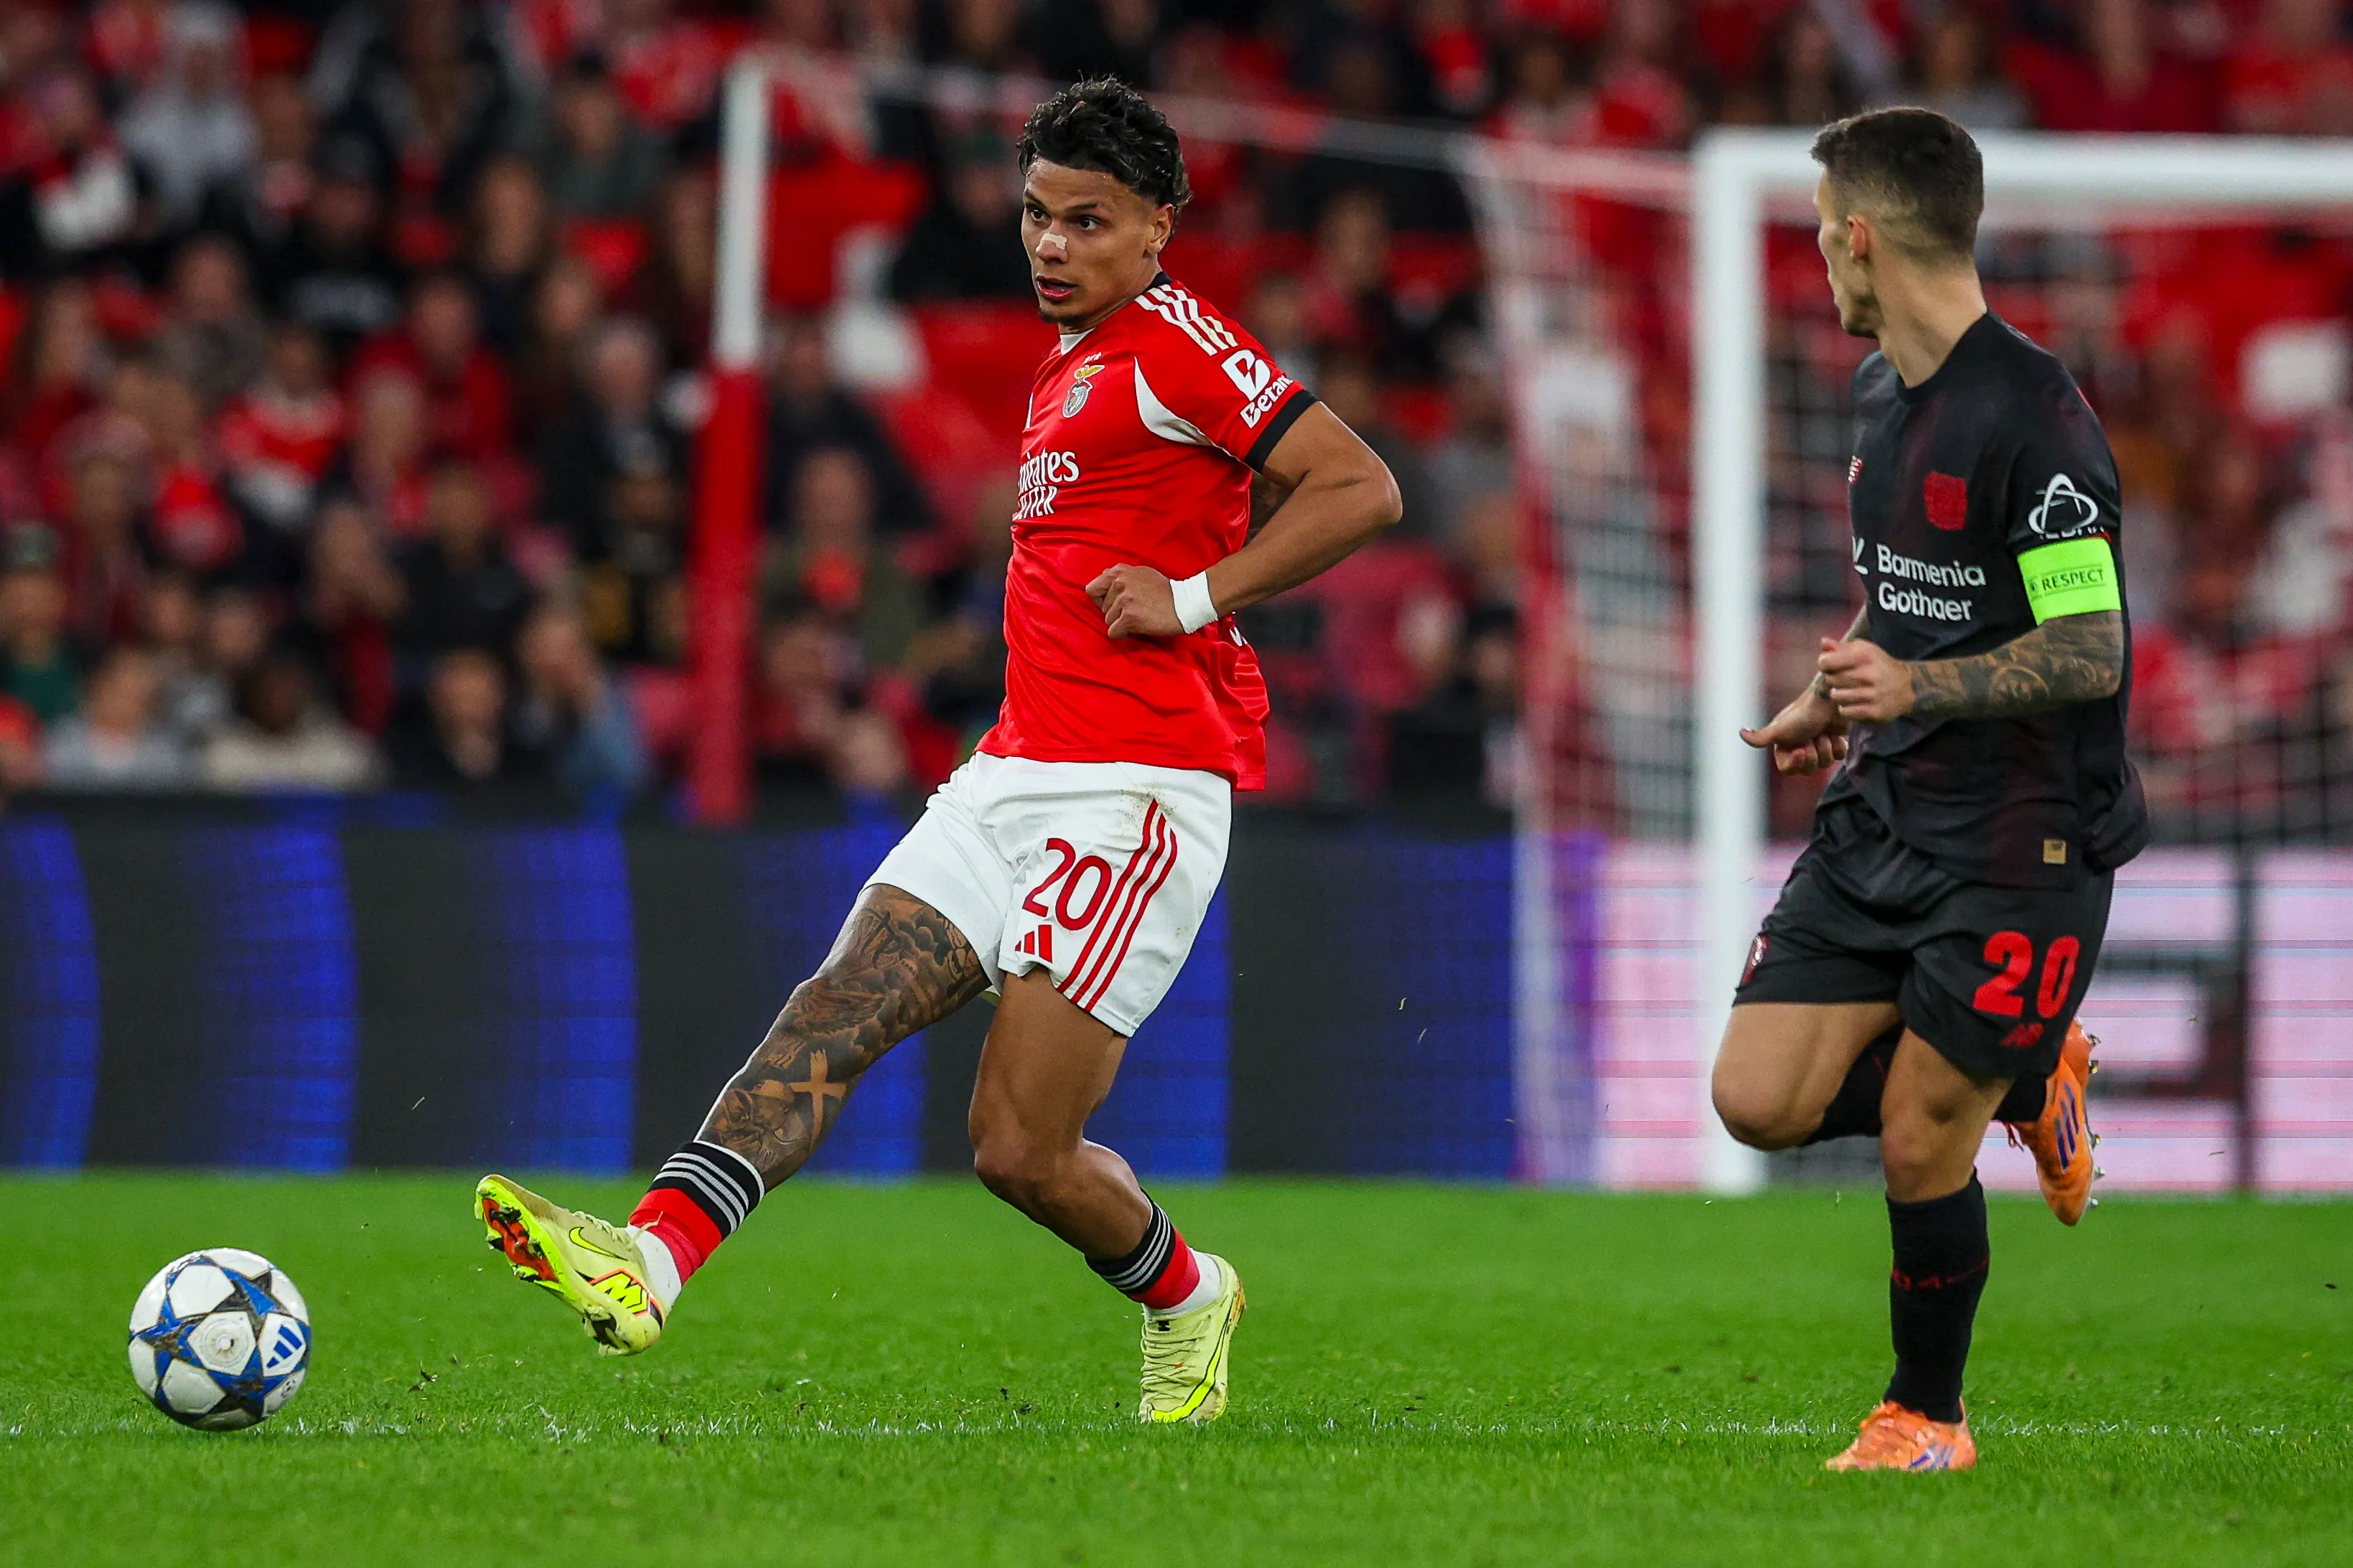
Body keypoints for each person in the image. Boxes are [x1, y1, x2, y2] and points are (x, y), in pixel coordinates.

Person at [476, 78, 1401, 1424]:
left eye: (1088, 222)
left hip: (1134, 795)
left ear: (1158, 231)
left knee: (1019, 1151)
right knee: (835, 1007)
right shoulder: (1064, 362)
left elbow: (1361, 484)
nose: (1051, 245)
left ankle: (1189, 1292)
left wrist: (1197, 599)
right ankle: (650, 1260)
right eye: (1036, 215)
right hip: (1012, 775)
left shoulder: (1178, 341)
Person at [1718, 109, 2145, 1473]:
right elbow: (1910, 601)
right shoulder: (1874, 399)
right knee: (1757, 1101)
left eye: (1819, 234)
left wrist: (1916, 691)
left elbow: (2092, 649)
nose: (1816, 264)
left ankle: (1926, 1417)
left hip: (2022, 838)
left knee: (1915, 1137)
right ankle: (2026, 1075)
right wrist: (1842, 685)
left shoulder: (2038, 421)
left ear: (1859, 237)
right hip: (1888, 810)